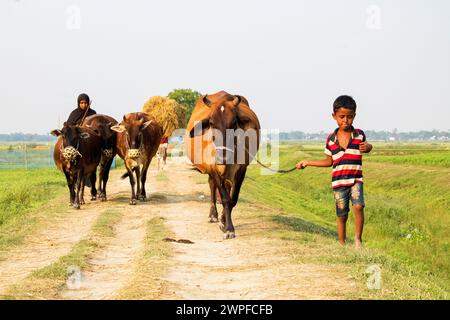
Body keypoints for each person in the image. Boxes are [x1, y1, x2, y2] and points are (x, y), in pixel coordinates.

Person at [296, 95, 373, 248]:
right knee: (342, 214)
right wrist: (307, 162)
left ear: (354, 116)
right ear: (334, 116)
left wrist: (369, 147)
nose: (345, 120)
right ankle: (342, 243)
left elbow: (367, 146)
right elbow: (328, 161)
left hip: (356, 179)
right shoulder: (331, 140)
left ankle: (358, 240)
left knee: (358, 206)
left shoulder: (359, 134)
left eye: (349, 117)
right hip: (339, 183)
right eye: (342, 117)